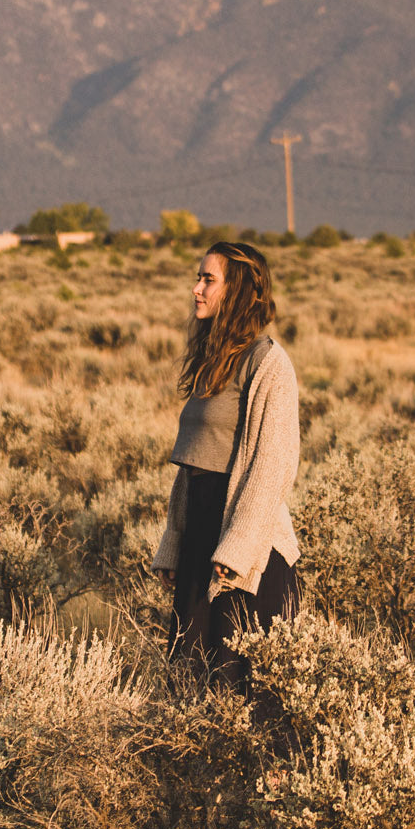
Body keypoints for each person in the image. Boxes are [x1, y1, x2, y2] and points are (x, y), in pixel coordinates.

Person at [152, 241, 301, 694]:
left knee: (250, 690)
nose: (195, 288)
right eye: (198, 278)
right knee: (191, 681)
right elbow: (192, 466)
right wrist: (175, 543)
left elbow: (273, 465)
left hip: (247, 549)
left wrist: (237, 548)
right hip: (202, 538)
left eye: (207, 279)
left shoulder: (268, 362)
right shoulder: (211, 363)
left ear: (235, 290)